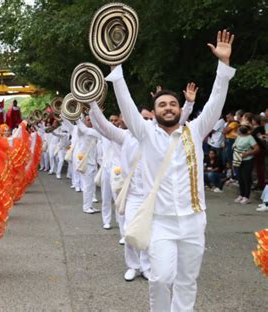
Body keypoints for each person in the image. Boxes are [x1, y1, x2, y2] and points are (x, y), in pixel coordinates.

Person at [106, 30, 235, 311]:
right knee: (161, 278)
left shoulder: (195, 129)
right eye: (162, 104)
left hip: (193, 221)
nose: (168, 108)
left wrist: (223, 67)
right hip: (161, 222)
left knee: (188, 280)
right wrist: (116, 69)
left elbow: (216, 102)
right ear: (154, 112)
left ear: (180, 109)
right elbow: (126, 104)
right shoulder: (145, 134)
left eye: (172, 104)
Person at [75, 115, 101, 214]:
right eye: (88, 120)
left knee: (91, 186)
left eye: (91, 119)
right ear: (84, 121)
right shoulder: (81, 131)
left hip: (93, 163)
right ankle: (86, 207)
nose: (90, 121)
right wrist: (77, 116)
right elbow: (79, 124)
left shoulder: (95, 131)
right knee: (87, 186)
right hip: (85, 163)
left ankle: (90, 205)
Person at [233, 121, 259, 204]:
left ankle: (246, 197)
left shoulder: (250, 138)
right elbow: (235, 145)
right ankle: (241, 194)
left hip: (247, 160)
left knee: (246, 178)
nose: (241, 128)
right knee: (240, 178)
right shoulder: (239, 137)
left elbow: (256, 148)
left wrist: (247, 153)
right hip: (238, 159)